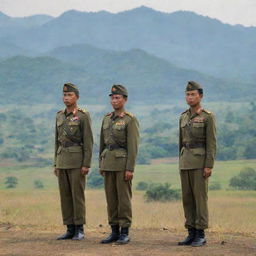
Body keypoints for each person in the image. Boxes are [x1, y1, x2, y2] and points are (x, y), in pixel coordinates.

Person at [99, 84, 139, 245]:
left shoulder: (130, 119)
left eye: (117, 98)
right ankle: (114, 230)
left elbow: (133, 146)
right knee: (111, 199)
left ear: (125, 99)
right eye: (112, 98)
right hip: (108, 163)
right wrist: (101, 163)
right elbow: (102, 144)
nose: (114, 100)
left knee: (123, 199)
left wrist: (130, 168)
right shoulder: (107, 118)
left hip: (122, 164)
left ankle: (124, 231)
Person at [178, 81, 216, 247]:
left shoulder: (207, 117)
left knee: (200, 199)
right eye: (187, 94)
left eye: (193, 94)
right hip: (185, 161)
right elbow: (181, 142)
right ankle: (191, 231)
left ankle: (200, 233)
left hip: (200, 162)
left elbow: (211, 143)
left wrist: (209, 165)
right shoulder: (183, 116)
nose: (190, 97)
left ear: (200, 96)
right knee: (187, 199)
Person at [54, 82, 93, 241]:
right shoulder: (59, 115)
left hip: (77, 160)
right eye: (64, 95)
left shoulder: (83, 116)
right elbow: (56, 141)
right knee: (65, 196)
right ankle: (69, 227)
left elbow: (88, 141)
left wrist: (86, 163)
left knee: (77, 195)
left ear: (77, 97)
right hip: (62, 159)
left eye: (69, 95)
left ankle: (79, 228)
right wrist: (55, 163)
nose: (66, 98)